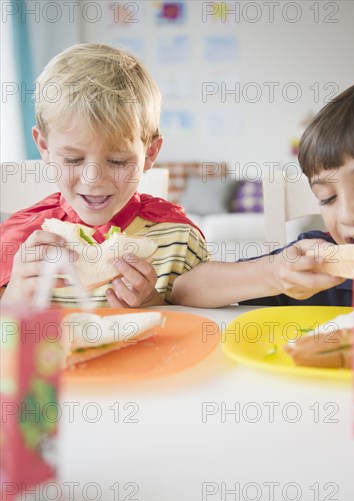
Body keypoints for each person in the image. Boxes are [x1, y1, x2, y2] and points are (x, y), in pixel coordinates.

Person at [171, 72, 354, 308]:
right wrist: (275, 273)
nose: (347, 215)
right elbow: (186, 289)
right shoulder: (314, 260)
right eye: (327, 198)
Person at [0, 43, 208, 307]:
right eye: (73, 158)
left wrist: (154, 303)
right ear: (44, 147)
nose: (93, 178)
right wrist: (14, 295)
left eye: (117, 161)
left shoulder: (179, 239)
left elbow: (202, 329)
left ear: (150, 153)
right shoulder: (21, 242)